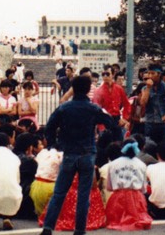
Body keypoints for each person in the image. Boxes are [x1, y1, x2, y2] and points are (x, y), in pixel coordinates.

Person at [40, 75, 117, 235]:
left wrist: (54, 144)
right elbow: (110, 123)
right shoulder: (93, 108)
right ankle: (80, 230)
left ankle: (48, 227)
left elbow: (49, 127)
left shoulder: (64, 108)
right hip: (87, 152)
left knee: (59, 193)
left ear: (73, 89)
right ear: (89, 89)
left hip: (69, 152)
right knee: (84, 195)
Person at [105, 139, 152, 230]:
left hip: (118, 199)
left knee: (115, 219)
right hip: (136, 199)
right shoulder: (142, 164)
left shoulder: (113, 164)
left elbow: (109, 187)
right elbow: (143, 188)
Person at [92, 69, 131, 141]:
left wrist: (124, 118)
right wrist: (101, 127)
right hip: (104, 120)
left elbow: (127, 104)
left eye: (107, 74)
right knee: (105, 146)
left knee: (119, 144)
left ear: (112, 75)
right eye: (103, 74)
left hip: (117, 120)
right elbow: (96, 109)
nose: (105, 76)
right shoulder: (98, 91)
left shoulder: (119, 89)